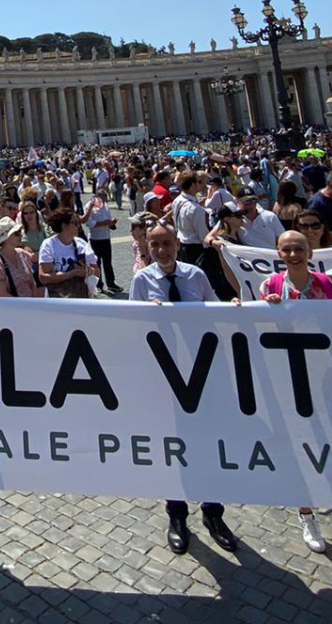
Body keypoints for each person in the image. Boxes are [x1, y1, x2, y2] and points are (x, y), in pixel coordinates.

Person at [252, 230, 332, 558]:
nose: (293, 255)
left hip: (328, 374)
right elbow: (259, 329)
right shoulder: (270, 287)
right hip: (289, 377)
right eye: (286, 250)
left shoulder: (326, 284)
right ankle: (307, 514)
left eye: (298, 249)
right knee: (300, 443)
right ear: (278, 253)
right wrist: (268, 310)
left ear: (310, 252)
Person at [127, 223, 239, 556]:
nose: (162, 250)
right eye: (155, 244)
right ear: (148, 247)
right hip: (164, 376)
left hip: (201, 372)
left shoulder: (195, 276)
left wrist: (235, 307)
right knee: (171, 446)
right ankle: (176, 514)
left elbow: (215, 311)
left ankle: (213, 512)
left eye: (167, 243)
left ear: (177, 244)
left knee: (207, 441)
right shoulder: (141, 281)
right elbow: (131, 326)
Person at [38, 207, 98, 298]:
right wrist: (70, 274)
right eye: (75, 223)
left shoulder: (81, 244)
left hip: (81, 298)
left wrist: (88, 271)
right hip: (57, 301)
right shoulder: (49, 245)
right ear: (64, 226)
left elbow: (96, 271)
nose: (78, 226)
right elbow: (43, 277)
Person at [0, 218, 44, 297]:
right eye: (17, 233)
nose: (21, 235)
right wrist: (21, 305)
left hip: (30, 305)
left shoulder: (21, 253)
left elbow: (32, 283)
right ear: (6, 238)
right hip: (11, 307)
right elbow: (2, 294)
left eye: (20, 232)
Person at [82, 190, 119, 293]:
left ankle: (111, 283)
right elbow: (89, 223)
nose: (105, 200)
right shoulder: (89, 206)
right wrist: (104, 223)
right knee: (96, 263)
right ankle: (99, 284)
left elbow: (108, 218)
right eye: (103, 197)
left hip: (106, 237)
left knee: (108, 262)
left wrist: (112, 222)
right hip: (95, 238)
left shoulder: (105, 205)